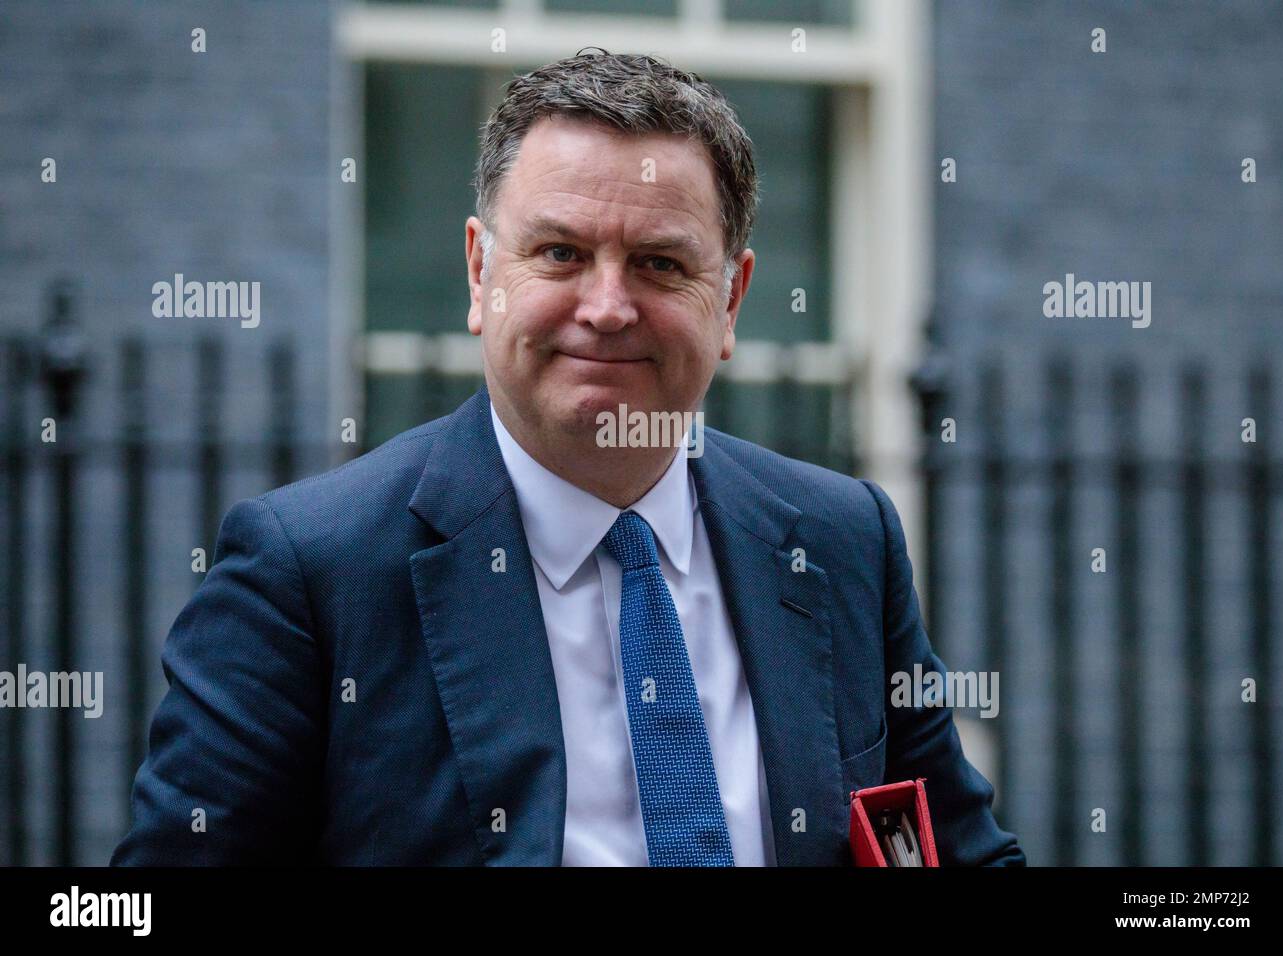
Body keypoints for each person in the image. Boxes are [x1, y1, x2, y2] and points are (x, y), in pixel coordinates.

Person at [112, 50, 1024, 867]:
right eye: (559, 253)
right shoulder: (310, 570)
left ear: (733, 297)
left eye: (662, 264)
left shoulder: (841, 542)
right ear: (481, 276)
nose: (608, 306)